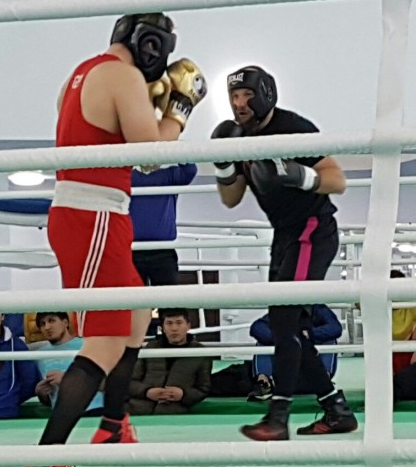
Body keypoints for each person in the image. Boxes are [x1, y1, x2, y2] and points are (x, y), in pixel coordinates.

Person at [24, 12, 207, 467]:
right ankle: (44, 459)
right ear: (152, 45)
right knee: (104, 344)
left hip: (97, 213)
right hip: (94, 216)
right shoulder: (122, 76)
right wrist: (180, 109)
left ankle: (113, 423)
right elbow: (149, 156)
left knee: (137, 314)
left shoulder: (81, 73)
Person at [211, 65, 357, 441]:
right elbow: (231, 199)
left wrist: (299, 176)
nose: (239, 104)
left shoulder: (293, 128)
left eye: (246, 95)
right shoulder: (237, 136)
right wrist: (224, 166)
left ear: (265, 94)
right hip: (285, 235)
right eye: (234, 97)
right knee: (287, 325)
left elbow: (337, 180)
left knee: (286, 319)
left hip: (313, 230)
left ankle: (278, 417)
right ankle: (336, 409)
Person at [247, 304, 342, 401]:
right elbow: (257, 327)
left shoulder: (319, 309)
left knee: (330, 340)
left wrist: (310, 334)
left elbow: (335, 328)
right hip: (284, 373)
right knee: (263, 341)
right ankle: (263, 383)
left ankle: (324, 382)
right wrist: (282, 338)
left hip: (313, 371)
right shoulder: (285, 310)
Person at [126, 308, 211, 415]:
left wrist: (183, 394)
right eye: (169, 323)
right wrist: (147, 392)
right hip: (137, 410)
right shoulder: (150, 348)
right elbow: (129, 382)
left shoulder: (200, 352)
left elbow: (203, 389)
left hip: (173, 413)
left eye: (179, 323)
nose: (174, 328)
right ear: (163, 327)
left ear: (188, 325)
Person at [130, 162, 197, 286]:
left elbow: (190, 170)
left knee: (168, 296)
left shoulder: (170, 175)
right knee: (132, 296)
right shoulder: (129, 177)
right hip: (133, 251)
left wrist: (171, 151)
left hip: (163, 252)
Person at [34, 312, 103, 416]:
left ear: (65, 322)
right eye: (42, 324)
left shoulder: (88, 345)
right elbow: (50, 399)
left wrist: (68, 380)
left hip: (94, 409)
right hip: (62, 414)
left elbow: (106, 382)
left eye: (52, 321)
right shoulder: (38, 355)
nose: (47, 327)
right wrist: (41, 394)